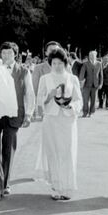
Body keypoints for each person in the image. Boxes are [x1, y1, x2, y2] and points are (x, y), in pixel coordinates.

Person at [0, 42, 34, 201]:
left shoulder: (24, 72)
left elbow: (29, 94)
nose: (6, 56)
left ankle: (5, 184)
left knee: (8, 151)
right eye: (3, 53)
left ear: (16, 55)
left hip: (14, 115)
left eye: (9, 53)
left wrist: (28, 114)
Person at [35, 48, 82, 200]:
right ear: (50, 64)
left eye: (60, 63)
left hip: (68, 120)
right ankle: (56, 186)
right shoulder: (45, 79)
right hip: (51, 119)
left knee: (67, 152)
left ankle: (67, 187)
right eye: (54, 63)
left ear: (65, 63)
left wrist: (71, 107)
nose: (57, 66)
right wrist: (48, 97)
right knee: (53, 152)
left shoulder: (72, 79)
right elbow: (39, 100)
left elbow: (78, 99)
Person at [79, 50, 103, 117]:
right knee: (85, 100)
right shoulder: (85, 64)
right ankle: (85, 112)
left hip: (95, 85)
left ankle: (92, 112)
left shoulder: (99, 63)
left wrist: (101, 84)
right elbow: (82, 73)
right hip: (86, 84)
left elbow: (101, 75)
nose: (91, 57)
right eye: (90, 56)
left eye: (92, 56)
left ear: (95, 56)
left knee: (94, 100)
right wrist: (81, 80)